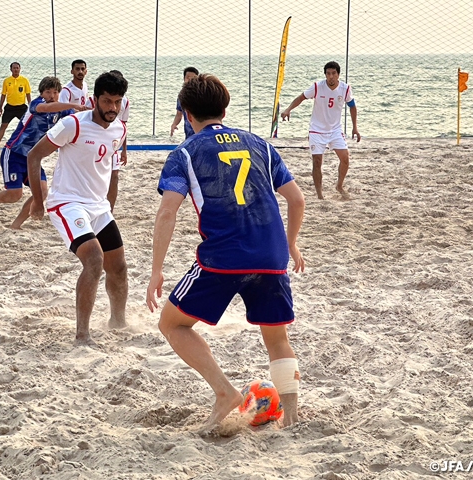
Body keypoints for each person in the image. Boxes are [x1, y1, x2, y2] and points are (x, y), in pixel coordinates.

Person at [146, 74, 306, 430]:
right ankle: (292, 420)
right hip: (271, 254)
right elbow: (297, 199)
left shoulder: (184, 152)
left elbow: (168, 211)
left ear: (187, 114)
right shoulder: (260, 145)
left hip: (223, 256)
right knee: (277, 338)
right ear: (224, 107)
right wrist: (291, 243)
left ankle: (224, 392)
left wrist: (156, 270)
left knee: (172, 324)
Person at [27, 72, 129, 346]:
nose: (112, 108)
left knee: (118, 267)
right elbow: (34, 155)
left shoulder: (120, 129)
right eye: (107, 101)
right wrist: (38, 200)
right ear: (94, 99)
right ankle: (82, 335)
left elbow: (112, 172)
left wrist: (109, 210)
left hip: (98, 207)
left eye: (117, 102)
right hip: (67, 202)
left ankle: (118, 322)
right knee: (94, 260)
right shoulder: (73, 124)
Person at [0, 77, 77, 229]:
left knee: (43, 192)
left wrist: (91, 110)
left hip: (33, 158)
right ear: (41, 93)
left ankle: (15, 225)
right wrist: (74, 104)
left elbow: (78, 116)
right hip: (14, 154)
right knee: (15, 195)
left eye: (55, 92)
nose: (51, 95)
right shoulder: (36, 104)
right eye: (48, 92)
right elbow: (45, 109)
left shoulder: (61, 110)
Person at [281, 61, 361, 200]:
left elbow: (352, 106)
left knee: (345, 158)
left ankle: (339, 185)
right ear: (325, 75)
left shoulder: (345, 88)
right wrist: (288, 109)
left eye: (333, 73)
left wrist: (355, 127)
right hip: (317, 130)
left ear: (338, 75)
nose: (331, 76)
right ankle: (319, 195)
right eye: (328, 74)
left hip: (335, 130)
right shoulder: (317, 87)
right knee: (317, 161)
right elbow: (301, 97)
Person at [107, 70, 130, 212]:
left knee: (114, 176)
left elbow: (123, 126)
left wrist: (124, 150)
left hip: (114, 143)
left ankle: (110, 211)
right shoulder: (96, 98)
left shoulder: (125, 101)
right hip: (99, 142)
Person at [0, 62, 32, 147]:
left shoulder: (24, 80)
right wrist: (0, 107)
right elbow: (3, 94)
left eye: (17, 68)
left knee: (27, 125)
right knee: (3, 125)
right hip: (10, 107)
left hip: (21, 107)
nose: (16, 70)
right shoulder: (7, 81)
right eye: (14, 68)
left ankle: (28, 143)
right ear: (11, 69)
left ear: (20, 69)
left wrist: (30, 106)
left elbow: (28, 94)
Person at [170, 67, 199, 139]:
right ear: (184, 79)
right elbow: (179, 114)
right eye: (188, 77)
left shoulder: (202, 94)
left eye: (194, 78)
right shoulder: (182, 96)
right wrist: (174, 124)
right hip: (189, 133)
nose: (190, 80)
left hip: (202, 132)